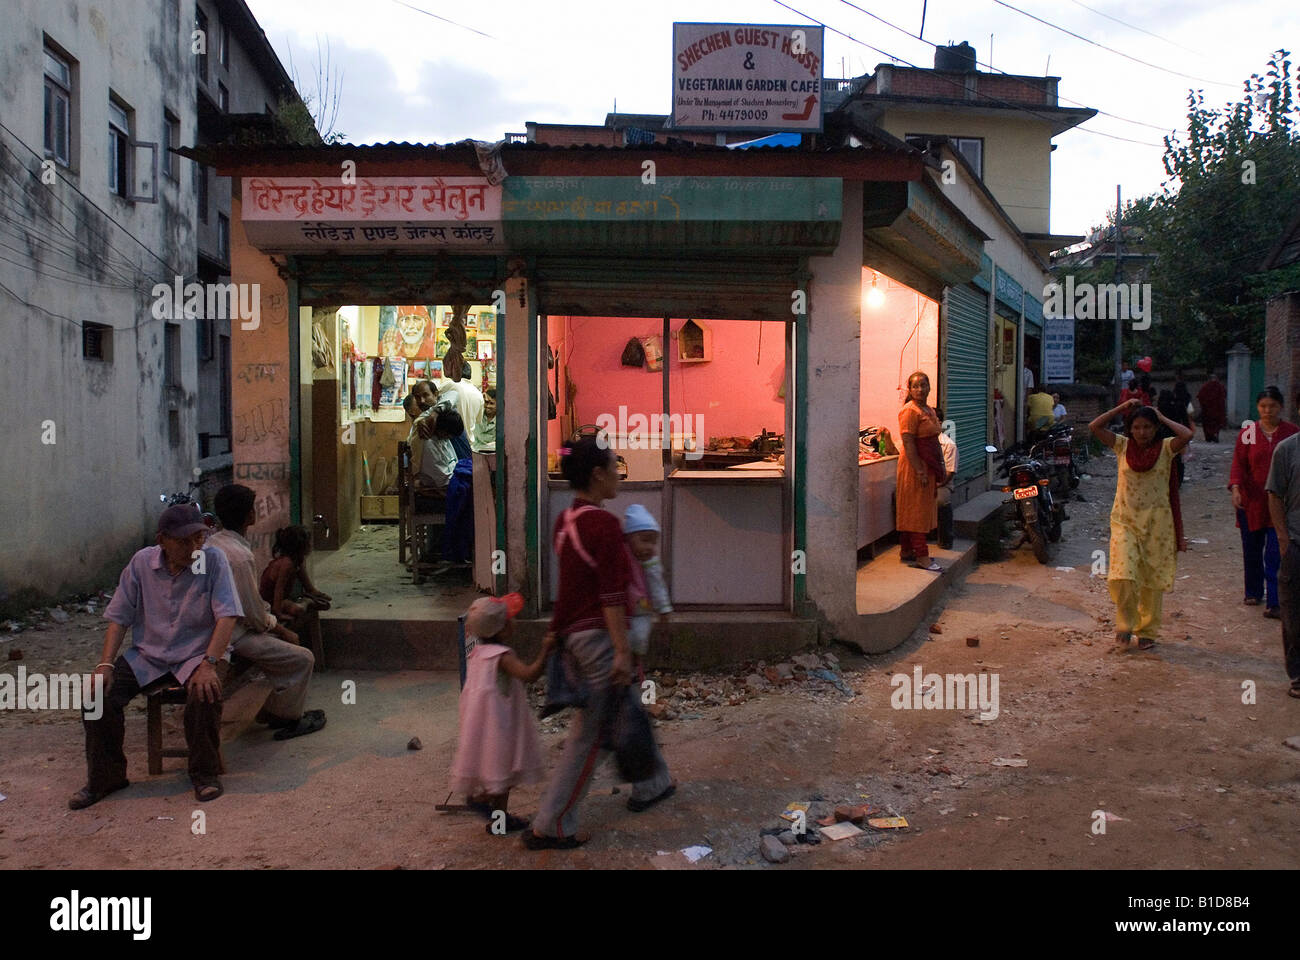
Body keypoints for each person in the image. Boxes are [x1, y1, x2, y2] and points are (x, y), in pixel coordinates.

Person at [525, 436, 675, 851]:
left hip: (576, 636)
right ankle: (553, 823)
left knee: (626, 709)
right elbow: (610, 595)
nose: (618, 473)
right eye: (614, 466)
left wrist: (555, 634)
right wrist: (623, 652)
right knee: (591, 733)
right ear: (596, 474)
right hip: (601, 642)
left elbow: (570, 589)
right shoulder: (604, 526)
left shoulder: (565, 521)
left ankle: (652, 783)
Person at [70, 505, 241, 808]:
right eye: (184, 541)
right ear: (162, 540)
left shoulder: (212, 561)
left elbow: (227, 616)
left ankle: (204, 773)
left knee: (205, 693)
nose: (193, 548)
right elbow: (119, 617)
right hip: (149, 655)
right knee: (97, 698)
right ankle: (106, 777)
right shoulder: (140, 564)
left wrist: (209, 663)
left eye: (198, 539)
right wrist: (105, 665)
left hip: (199, 652)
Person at [208, 485, 326, 738]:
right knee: (302, 658)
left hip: (228, 628)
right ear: (250, 515)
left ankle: (276, 710)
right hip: (233, 635)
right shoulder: (239, 556)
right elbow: (253, 615)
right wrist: (280, 628)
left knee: (284, 649)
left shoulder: (213, 543)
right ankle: (284, 715)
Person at [1089, 400, 1192, 653]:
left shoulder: (1167, 448)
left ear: (1156, 429)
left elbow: (1187, 434)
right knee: (1123, 575)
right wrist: (1121, 407)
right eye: (1136, 427)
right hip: (1124, 521)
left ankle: (1147, 631)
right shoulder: (1122, 446)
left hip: (1158, 525)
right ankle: (1125, 626)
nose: (1142, 432)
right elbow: (1094, 426)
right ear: (1130, 429)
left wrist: (1161, 415)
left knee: (1151, 581)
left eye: (1148, 426)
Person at [449, 594, 553, 834]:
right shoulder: (503, 657)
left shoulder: (476, 654)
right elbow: (529, 675)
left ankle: (498, 820)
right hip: (501, 726)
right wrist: (546, 651)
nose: (514, 622)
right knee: (502, 774)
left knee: (498, 775)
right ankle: (487, 806)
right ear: (503, 628)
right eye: (510, 619)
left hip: (482, 726)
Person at [1231, 388, 1298, 619]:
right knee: (1251, 549)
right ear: (1258, 408)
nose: (1268, 411)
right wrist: (1236, 488)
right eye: (1263, 406)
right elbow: (1239, 463)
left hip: (1279, 501)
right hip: (1252, 501)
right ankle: (1253, 591)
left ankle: (1275, 601)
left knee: (1275, 551)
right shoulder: (1249, 430)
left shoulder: (1291, 433)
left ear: (1281, 407)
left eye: (1272, 406)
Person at [897, 371, 945, 572]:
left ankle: (907, 550)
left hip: (928, 464)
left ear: (929, 387)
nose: (919, 389)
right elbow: (908, 442)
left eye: (923, 385)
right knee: (916, 510)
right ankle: (922, 556)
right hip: (914, 466)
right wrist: (920, 471)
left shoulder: (929, 410)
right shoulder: (910, 411)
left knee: (918, 508)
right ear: (910, 389)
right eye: (915, 386)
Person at [259, 525, 330, 658]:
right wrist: (278, 612)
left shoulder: (297, 560)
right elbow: (278, 590)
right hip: (269, 601)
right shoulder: (286, 563)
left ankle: (310, 598)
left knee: (301, 607)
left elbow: (306, 582)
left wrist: (315, 593)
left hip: (282, 599)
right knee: (298, 611)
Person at [1266, 431, 1300, 698]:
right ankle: (1298, 676)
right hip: (1296, 542)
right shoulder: (1286, 450)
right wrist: (1283, 538)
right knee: (1293, 613)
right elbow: (1275, 494)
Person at [622, 504, 673, 668]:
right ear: (629, 539)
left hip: (642, 610)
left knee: (639, 638)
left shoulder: (651, 563)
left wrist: (663, 609)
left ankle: (636, 664)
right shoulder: (621, 556)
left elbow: (657, 585)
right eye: (644, 540)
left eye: (653, 542)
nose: (649, 547)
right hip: (620, 611)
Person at [934, 410, 958, 551]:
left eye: (934, 420)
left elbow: (950, 472)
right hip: (924, 482)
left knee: (941, 501)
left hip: (943, 483)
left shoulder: (948, 445)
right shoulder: (919, 441)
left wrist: (937, 485)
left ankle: (946, 539)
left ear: (940, 423)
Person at [1198, 372, 1227, 442]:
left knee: (1207, 424)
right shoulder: (1220, 386)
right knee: (1216, 424)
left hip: (1207, 410)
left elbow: (1200, 396)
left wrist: (1203, 405)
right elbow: (1224, 396)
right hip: (1218, 409)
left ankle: (1208, 437)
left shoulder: (1206, 386)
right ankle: (1215, 435)